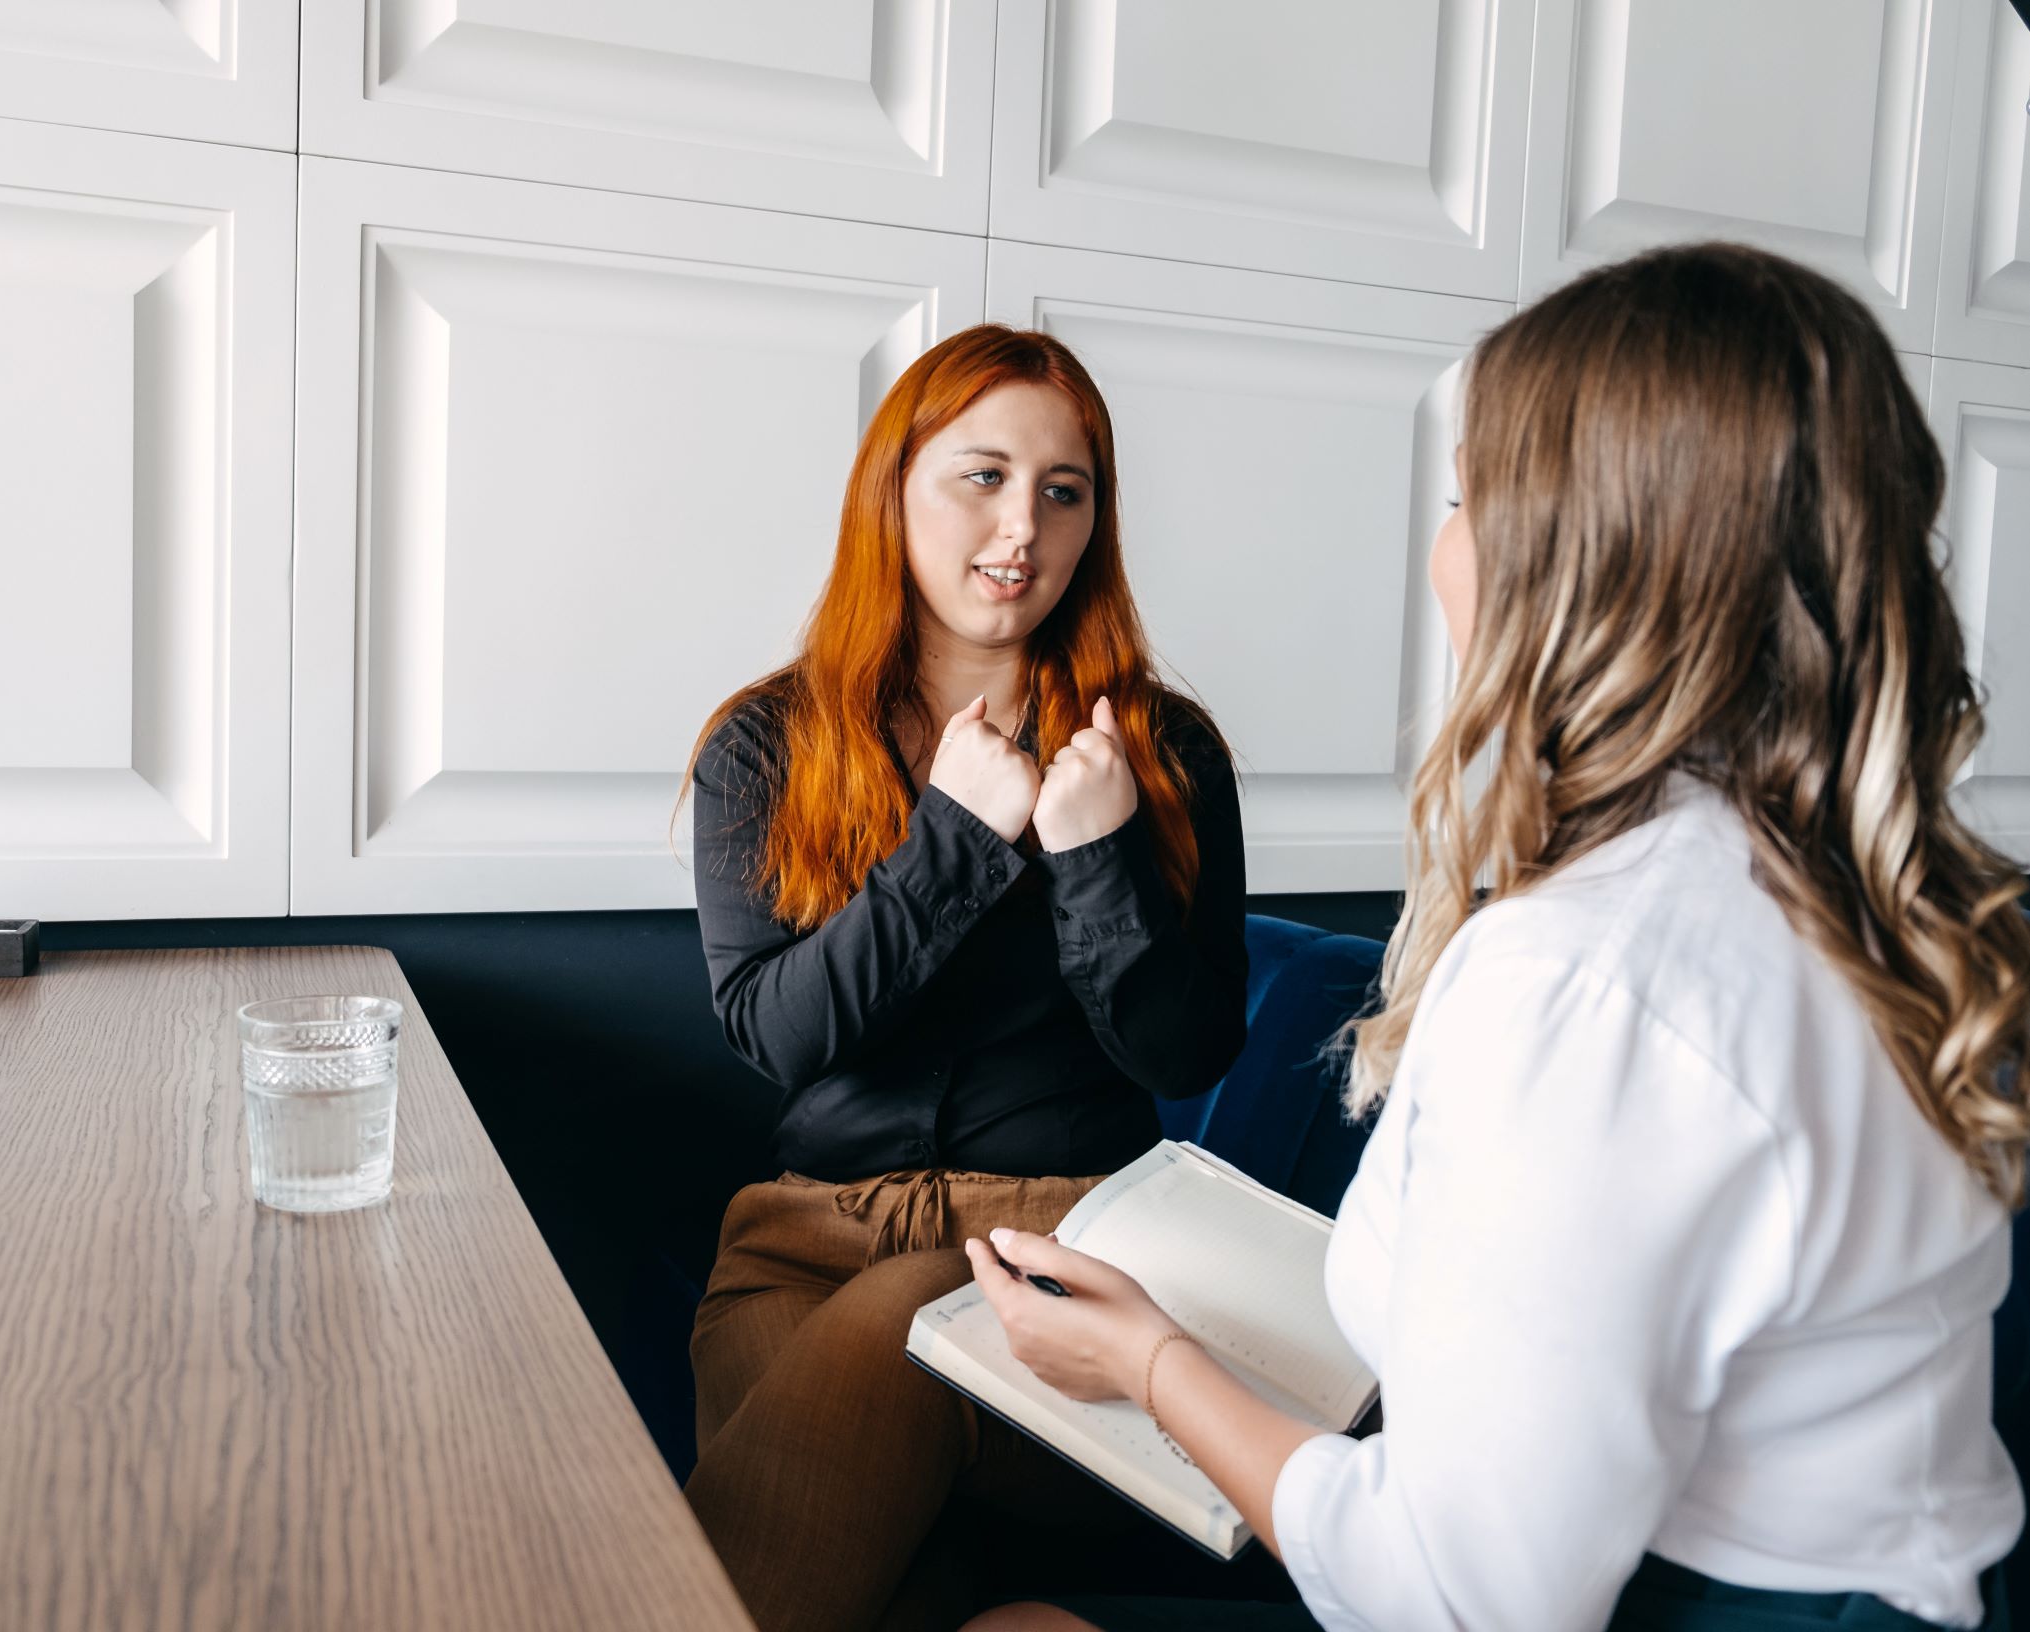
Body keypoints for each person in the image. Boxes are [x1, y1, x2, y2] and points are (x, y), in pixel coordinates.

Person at [962, 242, 2030, 1631]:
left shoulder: (1590, 978)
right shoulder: (1867, 901)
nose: (1439, 551)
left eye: (1464, 499)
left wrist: (1148, 1360)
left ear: (1577, 567)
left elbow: (1456, 1600)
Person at [679, 324, 1252, 1632]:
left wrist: (1094, 851)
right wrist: (950, 840)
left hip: (1065, 1250)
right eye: (981, 476)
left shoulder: (1162, 750)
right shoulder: (766, 742)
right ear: (894, 491)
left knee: (884, 1354)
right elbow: (776, 1034)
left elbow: (1181, 1057)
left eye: (1065, 490)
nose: (1023, 526)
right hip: (803, 1244)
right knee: (881, 1573)